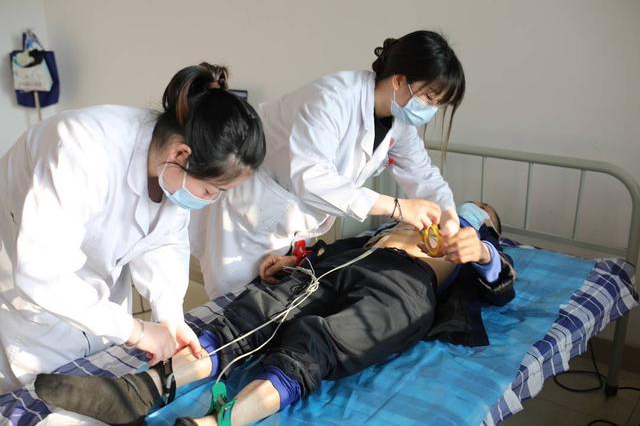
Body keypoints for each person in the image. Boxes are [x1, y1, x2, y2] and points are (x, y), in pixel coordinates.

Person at [34, 202, 515, 426]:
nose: (471, 209)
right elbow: (339, 244)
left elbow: (500, 288)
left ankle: (217, 424)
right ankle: (138, 391)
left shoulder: (475, 244)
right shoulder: (409, 215)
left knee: (317, 343)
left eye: (483, 212)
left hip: (406, 288)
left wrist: (484, 252)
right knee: (255, 312)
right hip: (346, 263)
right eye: (470, 205)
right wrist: (297, 258)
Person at [0, 63, 266, 392]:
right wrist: (135, 331)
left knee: (99, 377)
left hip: (97, 285)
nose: (212, 200)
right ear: (181, 154)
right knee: (45, 393)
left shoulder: (169, 165)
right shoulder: (82, 150)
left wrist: (170, 315)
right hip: (28, 292)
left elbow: (165, 241)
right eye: (212, 191)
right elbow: (42, 274)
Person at [189, 30, 466, 298]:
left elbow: (424, 175)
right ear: (399, 80)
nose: (430, 110)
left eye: (438, 104)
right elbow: (311, 178)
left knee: (268, 304)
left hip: (293, 224)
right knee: (230, 307)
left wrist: (450, 218)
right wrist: (396, 207)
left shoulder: (400, 125)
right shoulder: (332, 98)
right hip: (248, 216)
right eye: (429, 98)